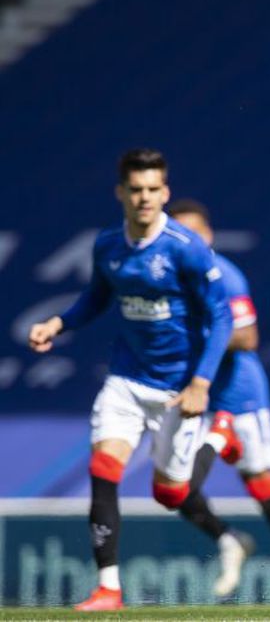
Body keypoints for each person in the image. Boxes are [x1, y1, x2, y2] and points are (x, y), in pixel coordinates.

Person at [27, 149, 233, 611]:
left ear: (165, 192)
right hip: (125, 379)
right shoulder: (107, 245)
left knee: (170, 493)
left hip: (179, 388)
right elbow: (96, 297)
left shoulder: (185, 247)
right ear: (121, 192)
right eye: (135, 189)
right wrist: (59, 323)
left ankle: (219, 437)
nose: (144, 198)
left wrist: (201, 383)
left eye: (152, 189)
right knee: (104, 471)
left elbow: (220, 316)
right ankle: (108, 588)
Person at [166, 199, 270, 599]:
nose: (187, 241)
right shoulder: (165, 280)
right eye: (178, 234)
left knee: (259, 480)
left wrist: (191, 344)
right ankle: (228, 539)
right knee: (175, 486)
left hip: (237, 396)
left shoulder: (224, 276)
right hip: (195, 399)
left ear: (208, 236)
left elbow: (247, 336)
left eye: (194, 232)